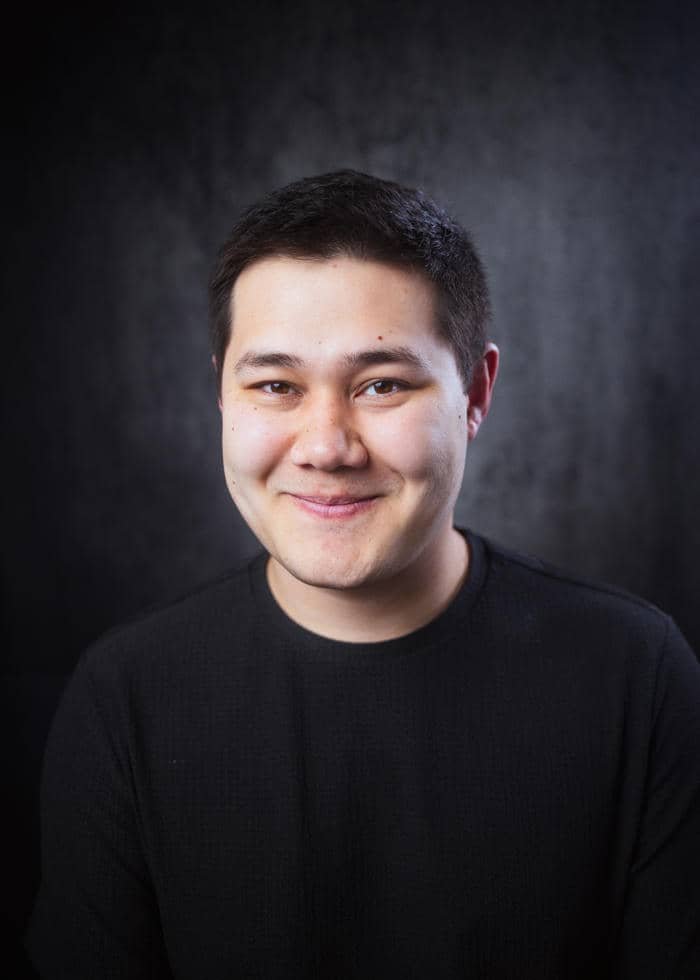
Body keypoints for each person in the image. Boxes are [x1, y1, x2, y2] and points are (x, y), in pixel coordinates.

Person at [24, 170, 700, 979]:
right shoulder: (123, 698)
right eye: (276, 386)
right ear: (221, 393)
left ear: (476, 393)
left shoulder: (639, 676)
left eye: (382, 384)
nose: (326, 446)